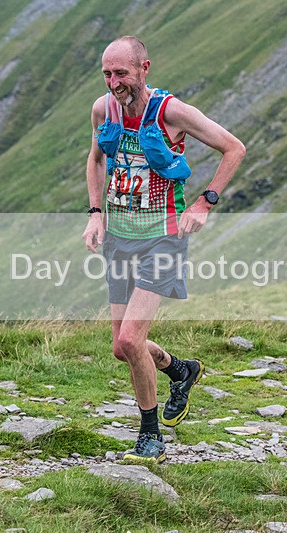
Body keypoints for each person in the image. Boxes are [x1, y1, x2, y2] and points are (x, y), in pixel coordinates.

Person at [82, 36, 245, 464]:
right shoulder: (104, 109)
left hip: (163, 239)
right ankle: (180, 370)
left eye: (121, 73)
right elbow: (96, 158)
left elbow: (234, 148)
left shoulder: (171, 112)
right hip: (119, 238)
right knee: (122, 347)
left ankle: (150, 436)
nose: (114, 82)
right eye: (107, 73)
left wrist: (204, 203)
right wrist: (95, 212)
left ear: (144, 68)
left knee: (133, 339)